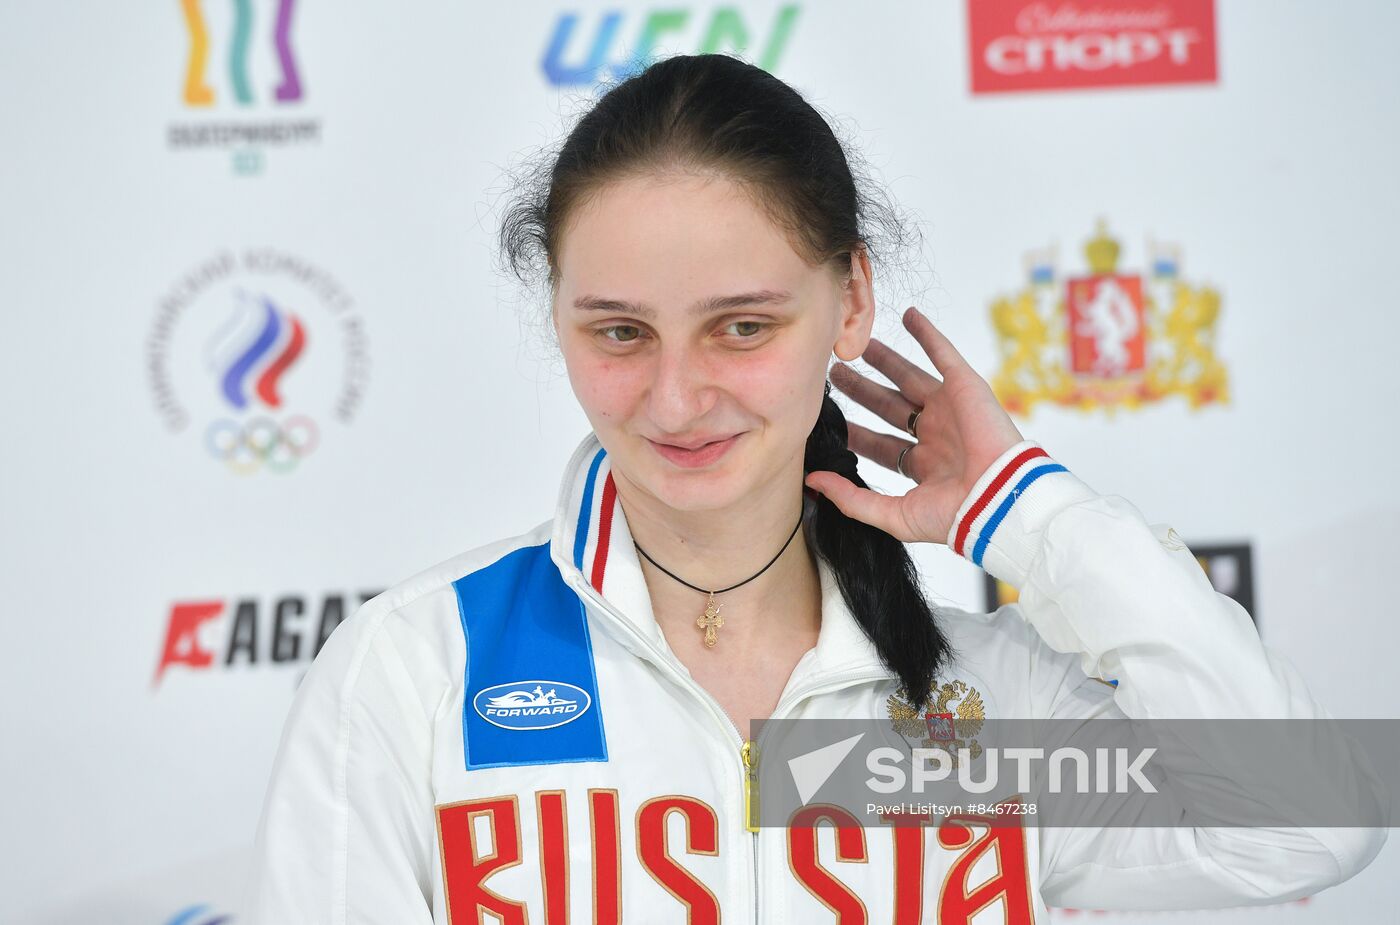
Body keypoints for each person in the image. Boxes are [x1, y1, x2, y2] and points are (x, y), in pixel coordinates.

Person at [241, 53, 1387, 923]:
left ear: (848, 304)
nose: (677, 399)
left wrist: (1028, 515)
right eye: (619, 332)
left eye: (741, 326)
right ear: (558, 319)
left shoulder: (983, 700)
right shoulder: (415, 672)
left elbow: (1305, 825)